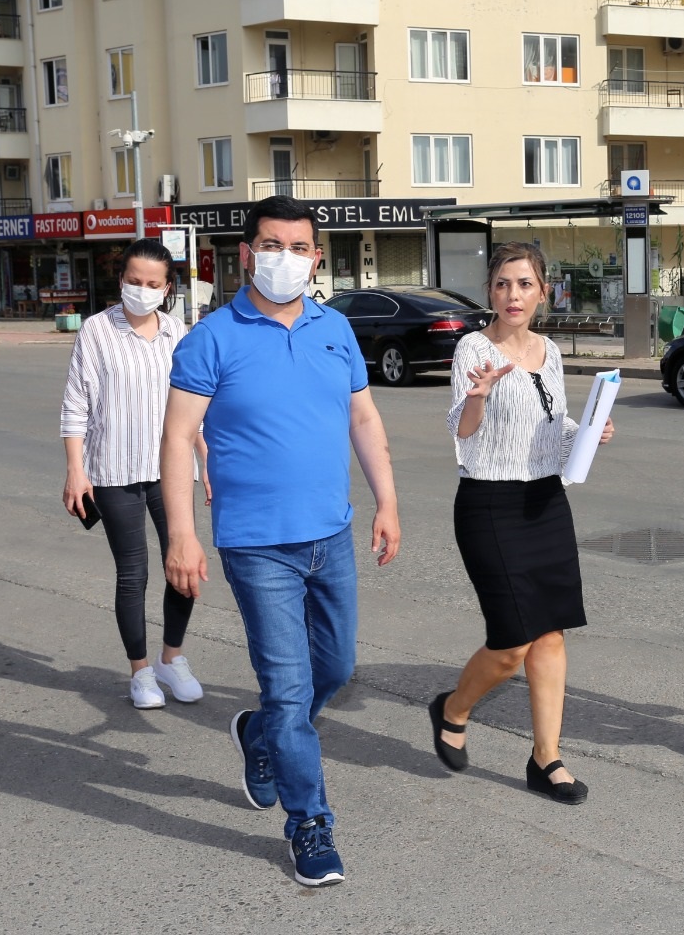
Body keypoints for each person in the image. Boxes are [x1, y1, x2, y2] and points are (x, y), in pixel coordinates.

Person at [160, 196, 400, 888]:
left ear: (316, 257)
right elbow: (178, 439)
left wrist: (388, 501)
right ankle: (309, 822)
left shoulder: (336, 329)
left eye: (299, 247)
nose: (284, 258)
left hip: (334, 535)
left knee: (336, 668)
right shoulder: (210, 338)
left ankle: (259, 734)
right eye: (271, 245)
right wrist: (182, 534)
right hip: (256, 545)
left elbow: (363, 417)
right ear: (246, 253)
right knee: (291, 691)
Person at [427, 242, 615, 806]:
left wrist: (588, 430)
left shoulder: (549, 349)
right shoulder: (472, 348)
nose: (514, 295)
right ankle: (454, 708)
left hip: (545, 502)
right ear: (491, 290)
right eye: (504, 283)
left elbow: (550, 418)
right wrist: (479, 396)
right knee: (511, 646)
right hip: (489, 504)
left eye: (525, 284)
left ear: (542, 291)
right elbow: (463, 429)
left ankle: (546, 758)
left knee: (551, 631)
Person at [61, 238, 211, 710]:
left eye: (152, 284)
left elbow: (195, 406)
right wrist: (75, 471)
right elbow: (75, 405)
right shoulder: (95, 331)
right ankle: (141, 671)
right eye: (133, 281)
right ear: (120, 279)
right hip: (113, 471)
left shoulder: (176, 332)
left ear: (167, 288)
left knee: (182, 569)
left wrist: (207, 460)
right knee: (133, 574)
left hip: (171, 471)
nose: (141, 290)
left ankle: (172, 658)